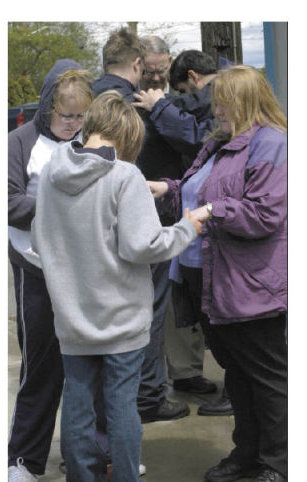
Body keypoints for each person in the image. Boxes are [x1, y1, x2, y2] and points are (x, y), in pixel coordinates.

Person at [31, 90, 202, 482]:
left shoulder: (53, 172)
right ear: (126, 133)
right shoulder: (125, 176)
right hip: (122, 318)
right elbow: (144, 245)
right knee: (122, 406)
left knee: (76, 405)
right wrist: (186, 229)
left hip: (72, 317)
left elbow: (41, 242)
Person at [147, 65, 287, 482]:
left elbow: (265, 213)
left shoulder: (270, 144)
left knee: (267, 379)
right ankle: (247, 455)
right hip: (210, 279)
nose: (215, 108)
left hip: (251, 286)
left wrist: (213, 212)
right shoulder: (219, 144)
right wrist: (168, 190)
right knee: (238, 375)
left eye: (222, 100)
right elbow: (200, 193)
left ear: (244, 99)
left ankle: (277, 464)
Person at [93, 28, 192, 423]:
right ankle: (148, 398)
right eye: (147, 70)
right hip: (145, 220)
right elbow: (190, 142)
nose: (152, 79)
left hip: (97, 228)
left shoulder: (89, 96)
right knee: (147, 310)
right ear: (137, 64)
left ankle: (110, 409)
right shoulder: (130, 104)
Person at [8, 60, 94, 481]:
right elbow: (6, 202)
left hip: (85, 273)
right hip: (36, 272)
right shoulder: (18, 142)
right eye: (65, 115)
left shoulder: (91, 140)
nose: (72, 124)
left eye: (80, 116)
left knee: (90, 368)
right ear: (46, 108)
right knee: (40, 368)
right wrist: (57, 209)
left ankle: (95, 455)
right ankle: (24, 459)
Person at [135, 46, 220, 400]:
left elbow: (198, 136)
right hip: (165, 209)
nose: (155, 78)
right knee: (172, 299)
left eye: (160, 70)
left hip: (186, 211)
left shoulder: (186, 102)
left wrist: (162, 108)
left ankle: (186, 373)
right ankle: (172, 377)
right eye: (149, 71)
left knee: (187, 296)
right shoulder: (141, 101)